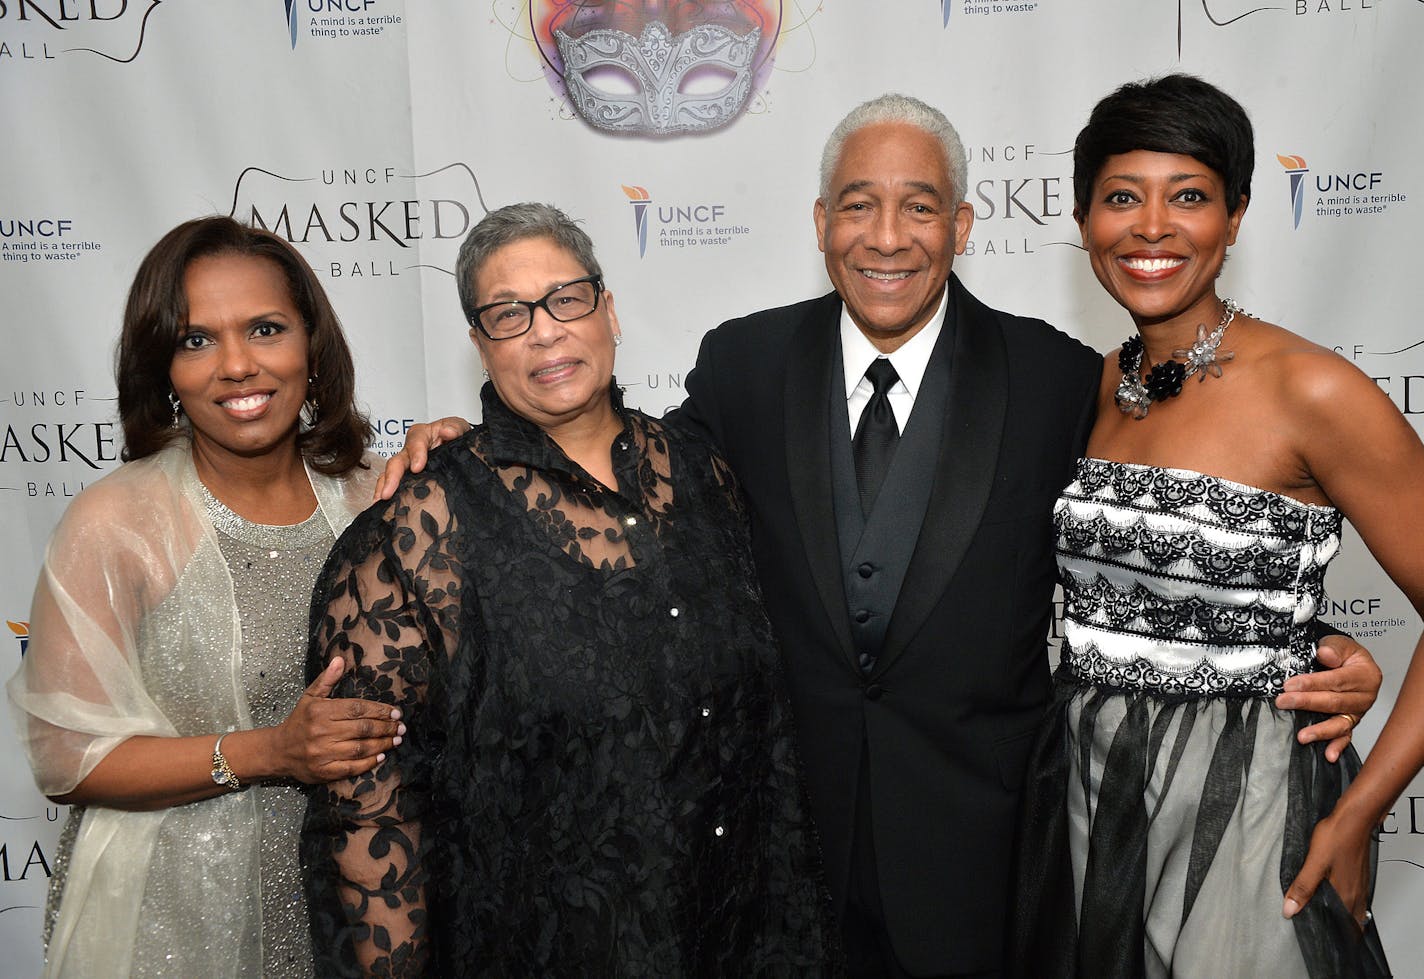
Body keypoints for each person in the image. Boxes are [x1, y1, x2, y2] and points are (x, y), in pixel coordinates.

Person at [380, 94, 1381, 978]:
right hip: (784, 859)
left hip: (994, 864)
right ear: (820, 224)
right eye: (857, 204)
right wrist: (477, 443)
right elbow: (623, 473)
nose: (886, 236)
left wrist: (1307, 647)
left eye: (917, 206)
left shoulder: (1059, 378)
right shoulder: (744, 364)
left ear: (961, 224)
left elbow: (1151, 532)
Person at [300, 202, 836, 976]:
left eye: (566, 298)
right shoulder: (418, 529)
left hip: (745, 936)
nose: (545, 329)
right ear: (480, 345)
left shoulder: (705, 469)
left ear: (609, 310)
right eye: (508, 314)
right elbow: (371, 809)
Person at [1010, 74, 1414, 977]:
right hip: (1091, 799)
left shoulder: (1311, 389)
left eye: (1188, 196)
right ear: (1083, 221)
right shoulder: (1092, 385)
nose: (1151, 227)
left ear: (1235, 217)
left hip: (1245, 803)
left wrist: (1357, 814)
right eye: (1122, 197)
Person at [7, 216, 404, 978]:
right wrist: (268, 752)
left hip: (355, 914)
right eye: (196, 340)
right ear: (164, 367)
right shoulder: (116, 521)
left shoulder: (378, 498)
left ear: (311, 347)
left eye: (264, 328)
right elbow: (66, 758)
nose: (237, 365)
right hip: (172, 922)